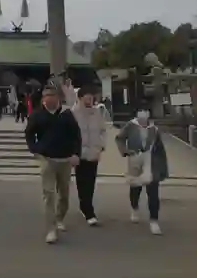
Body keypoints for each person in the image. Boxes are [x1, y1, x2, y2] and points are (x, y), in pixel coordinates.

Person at [24, 86, 82, 244]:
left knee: (64, 193)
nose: (48, 99)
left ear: (58, 98)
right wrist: (34, 149)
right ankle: (51, 229)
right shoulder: (37, 115)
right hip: (47, 158)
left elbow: (76, 136)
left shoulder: (66, 115)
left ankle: (60, 217)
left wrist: (76, 153)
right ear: (43, 99)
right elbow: (29, 133)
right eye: (46, 96)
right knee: (49, 194)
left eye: (52, 96)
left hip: (65, 159)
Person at [115, 109, 169, 235]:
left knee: (153, 191)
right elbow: (119, 138)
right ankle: (134, 207)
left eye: (145, 112)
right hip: (135, 159)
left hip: (151, 161)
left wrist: (162, 168)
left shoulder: (154, 129)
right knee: (135, 187)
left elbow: (160, 148)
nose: (143, 115)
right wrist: (126, 151)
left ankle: (154, 220)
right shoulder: (131, 125)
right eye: (141, 112)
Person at [71, 84, 107, 226]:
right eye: (87, 99)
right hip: (79, 153)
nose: (90, 102)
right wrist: (72, 150)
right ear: (80, 99)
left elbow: (103, 130)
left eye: (91, 99)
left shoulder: (97, 113)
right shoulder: (73, 113)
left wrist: (101, 146)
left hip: (93, 152)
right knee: (81, 181)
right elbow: (69, 134)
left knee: (90, 181)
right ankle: (87, 209)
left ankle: (87, 206)